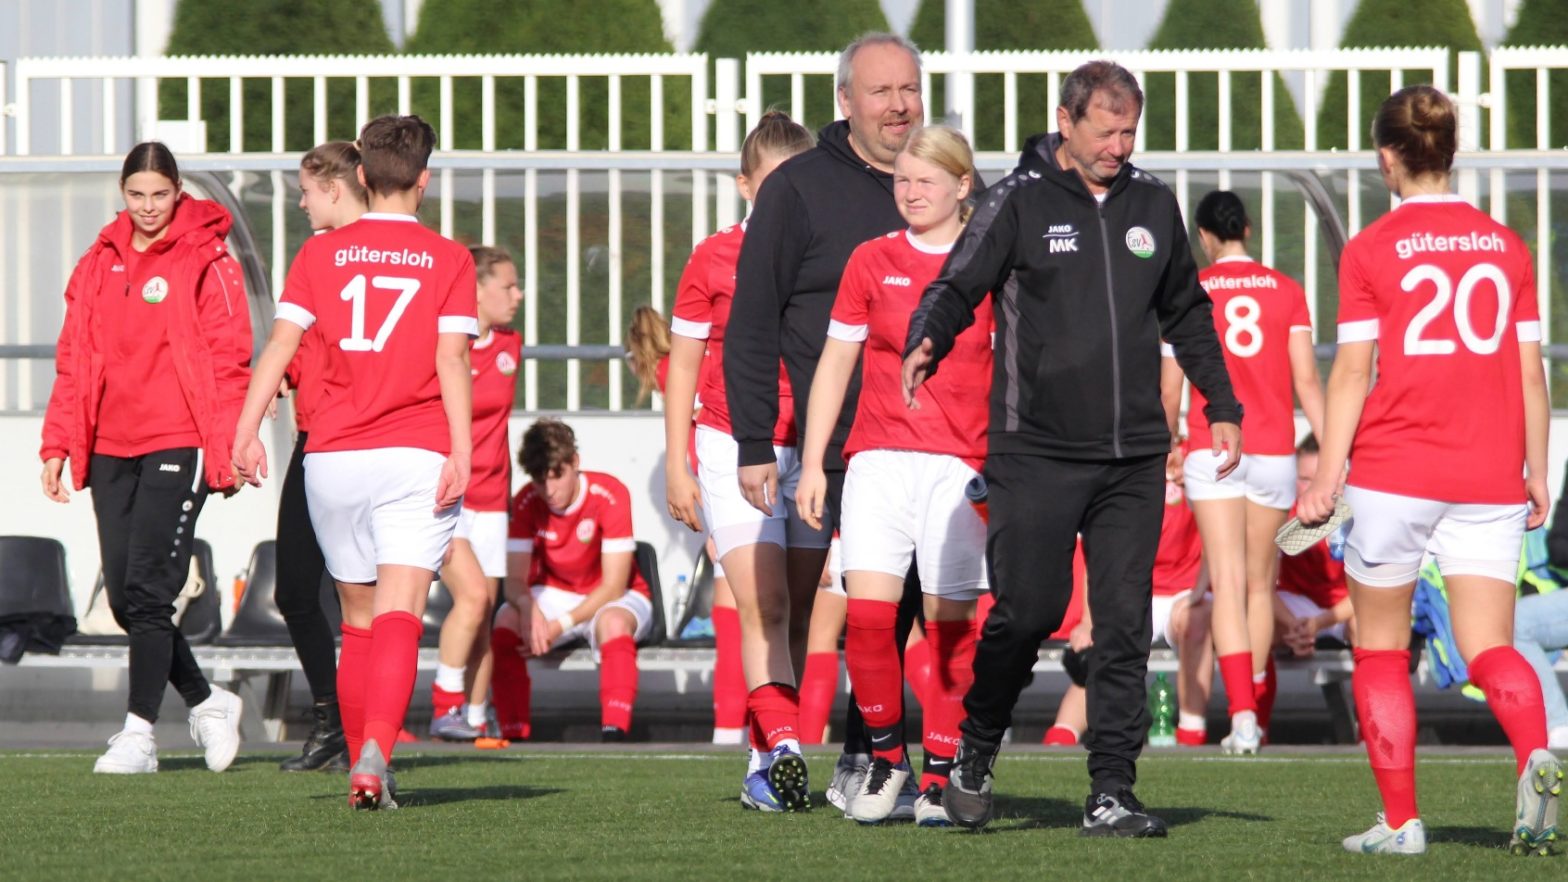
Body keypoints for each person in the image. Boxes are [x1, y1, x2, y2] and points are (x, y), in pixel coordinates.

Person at [902, 60, 1242, 836]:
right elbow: (957, 283)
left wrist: (1221, 404)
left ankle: (1112, 790)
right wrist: (929, 335)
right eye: (1104, 130)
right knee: (1028, 613)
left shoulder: (1154, 202)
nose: (1118, 146)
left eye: (1129, 131)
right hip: (1036, 452)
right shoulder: (1014, 202)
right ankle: (977, 749)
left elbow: (1187, 313)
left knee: (1123, 626)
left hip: (1133, 460)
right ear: (1066, 121)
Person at [1297, 85, 1562, 856]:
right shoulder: (1505, 246)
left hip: (1395, 470)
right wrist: (1537, 470)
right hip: (1489, 474)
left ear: (1387, 156)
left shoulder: (1371, 247)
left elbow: (1352, 373)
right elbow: (1531, 370)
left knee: (1380, 649)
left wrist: (1325, 477)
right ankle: (1537, 755)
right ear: (1449, 153)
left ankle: (1402, 822)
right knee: (1491, 646)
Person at [233, 114, 477, 810]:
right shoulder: (450, 258)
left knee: (357, 618)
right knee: (402, 610)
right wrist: (462, 450)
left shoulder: (321, 254)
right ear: (424, 181)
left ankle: (359, 756)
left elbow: (278, 347)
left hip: (334, 456)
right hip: (415, 450)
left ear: (363, 178)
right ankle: (375, 754)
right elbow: (452, 359)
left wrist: (245, 431)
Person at [725, 31, 928, 815]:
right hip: (835, 445)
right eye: (880, 91)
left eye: (908, 88)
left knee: (904, 603)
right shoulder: (799, 189)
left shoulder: (938, 183)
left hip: (931, 442)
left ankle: (864, 756)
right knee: (840, 610)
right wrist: (752, 443)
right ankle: (854, 757)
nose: (898, 105)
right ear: (845, 101)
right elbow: (750, 323)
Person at [40, 141, 250, 775]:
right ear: (122, 194)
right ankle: (209, 701)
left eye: (161, 194)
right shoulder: (97, 262)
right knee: (129, 602)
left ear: (179, 191)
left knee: (150, 590)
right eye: (138, 195)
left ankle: (139, 735)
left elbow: (229, 356)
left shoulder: (207, 256)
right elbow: (73, 359)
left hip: (176, 441)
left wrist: (232, 443)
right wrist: (57, 443)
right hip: (109, 444)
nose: (149, 206)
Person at [798, 124, 987, 827]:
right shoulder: (870, 260)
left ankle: (941, 775)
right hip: (876, 460)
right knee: (870, 624)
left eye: (925, 181)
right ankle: (886, 761)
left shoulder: (990, 262)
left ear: (962, 186)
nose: (910, 193)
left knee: (948, 633)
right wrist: (818, 460)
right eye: (902, 180)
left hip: (960, 468)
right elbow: (836, 363)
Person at [665, 111, 821, 810]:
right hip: (732, 442)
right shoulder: (714, 257)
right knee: (766, 604)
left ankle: (765, 758)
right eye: (772, 185)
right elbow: (683, 364)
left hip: (811, 447)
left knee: (801, 614)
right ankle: (784, 749)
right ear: (744, 185)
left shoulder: (829, 252)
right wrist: (678, 463)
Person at [1172, 189, 1324, 756]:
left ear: (1204, 237)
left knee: (1227, 585)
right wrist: (1334, 455)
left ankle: (1239, 715)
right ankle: (1254, 707)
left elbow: (1172, 386)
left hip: (1213, 446)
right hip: (1275, 452)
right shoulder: (1286, 291)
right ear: (1249, 231)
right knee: (1264, 585)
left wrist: (1166, 437)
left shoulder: (1191, 290)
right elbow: (1308, 382)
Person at [276, 140, 369, 772]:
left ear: (335, 188)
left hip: (361, 442)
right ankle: (332, 719)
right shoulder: (316, 257)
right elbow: (305, 340)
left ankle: (362, 731)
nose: (302, 201)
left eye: (307, 190)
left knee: (363, 596)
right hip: (314, 440)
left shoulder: (358, 254)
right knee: (294, 590)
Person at [490, 419, 654, 742]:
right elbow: (514, 582)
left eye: (556, 475)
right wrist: (528, 607)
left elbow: (614, 585)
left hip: (617, 595)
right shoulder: (525, 501)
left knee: (613, 623)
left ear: (575, 463)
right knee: (506, 619)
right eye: (540, 480)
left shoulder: (610, 493)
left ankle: (614, 731)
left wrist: (559, 624)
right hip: (556, 594)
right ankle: (514, 733)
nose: (548, 489)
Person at [628, 305, 747, 746]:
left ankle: (731, 729)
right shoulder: (707, 356)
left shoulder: (670, 370)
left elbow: (702, 440)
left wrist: (715, 515)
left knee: (736, 614)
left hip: (733, 493)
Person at [428, 246, 523, 740]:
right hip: (446, 494)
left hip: (491, 500)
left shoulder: (511, 345)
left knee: (483, 613)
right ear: (477, 291)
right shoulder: (440, 345)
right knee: (466, 598)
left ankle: (476, 717)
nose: (518, 294)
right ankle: (441, 705)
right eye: (508, 285)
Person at [1047, 486, 1214, 749]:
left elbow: (1217, 543)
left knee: (1196, 618)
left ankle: (1191, 730)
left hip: (1184, 593)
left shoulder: (1196, 476)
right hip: (1133, 591)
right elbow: (1099, 557)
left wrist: (1198, 592)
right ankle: (1062, 735)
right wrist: (1089, 621)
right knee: (1103, 645)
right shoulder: (1125, 478)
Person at [1275, 435, 1355, 661]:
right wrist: (1295, 627)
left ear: (1340, 477)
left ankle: (1368, 696)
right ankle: (1253, 694)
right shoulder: (1281, 514)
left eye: (1318, 480)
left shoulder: (1358, 515)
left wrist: (1319, 623)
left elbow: (1367, 594)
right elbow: (1258, 584)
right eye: (1304, 479)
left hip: (1346, 607)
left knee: (1368, 628)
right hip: (1298, 606)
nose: (1311, 489)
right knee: (1259, 625)